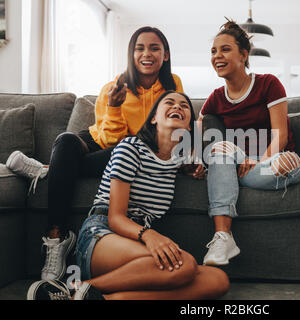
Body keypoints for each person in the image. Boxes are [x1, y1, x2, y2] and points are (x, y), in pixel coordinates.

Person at [6, 26, 184, 281]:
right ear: (130, 54)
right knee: (66, 140)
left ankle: (49, 170)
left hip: (131, 148)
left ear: (165, 55)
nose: (147, 54)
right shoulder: (113, 87)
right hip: (104, 139)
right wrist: (114, 107)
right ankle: (58, 237)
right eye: (139, 48)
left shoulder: (173, 84)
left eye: (154, 48)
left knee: (116, 151)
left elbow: (133, 147)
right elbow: (111, 138)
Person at [27, 90, 228, 300]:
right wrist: (150, 236)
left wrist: (194, 166)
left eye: (185, 106)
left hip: (136, 245)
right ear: (153, 118)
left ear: (189, 126)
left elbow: (198, 158)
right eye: (169, 103)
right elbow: (115, 218)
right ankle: (72, 290)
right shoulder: (131, 148)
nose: (178, 107)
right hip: (103, 233)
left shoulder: (178, 163)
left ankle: (103, 298)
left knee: (217, 279)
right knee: (184, 265)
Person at [199, 20, 300, 266]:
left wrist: (258, 160)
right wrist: (198, 161)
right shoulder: (215, 98)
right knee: (220, 149)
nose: (217, 56)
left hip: (268, 164)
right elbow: (198, 134)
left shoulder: (268, 84)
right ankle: (223, 237)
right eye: (214, 51)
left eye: (225, 49)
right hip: (236, 164)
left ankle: (228, 178)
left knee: (289, 164)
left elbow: (280, 134)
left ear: (244, 55)